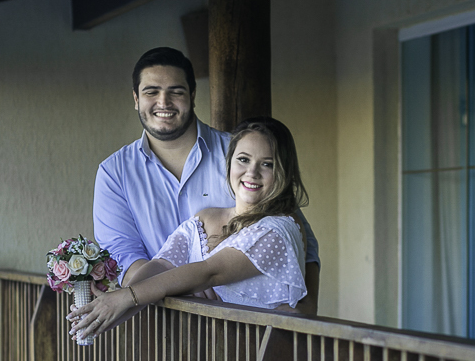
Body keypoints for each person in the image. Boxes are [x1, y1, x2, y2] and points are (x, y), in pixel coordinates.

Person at [93, 47, 320, 313]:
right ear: (136, 98)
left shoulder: (239, 154)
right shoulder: (114, 172)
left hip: (244, 324)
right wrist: (177, 285)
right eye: (151, 92)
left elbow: (301, 238)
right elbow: (124, 251)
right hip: (159, 317)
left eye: (176, 91)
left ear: (192, 95)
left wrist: (306, 311)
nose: (163, 102)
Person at [71, 118, 308, 341]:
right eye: (243, 159)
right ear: (229, 162)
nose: (252, 172)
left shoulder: (279, 230)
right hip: (203, 355)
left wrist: (126, 298)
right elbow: (163, 265)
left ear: (283, 172)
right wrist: (114, 307)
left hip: (256, 353)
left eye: (267, 164)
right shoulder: (205, 217)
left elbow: (209, 272)